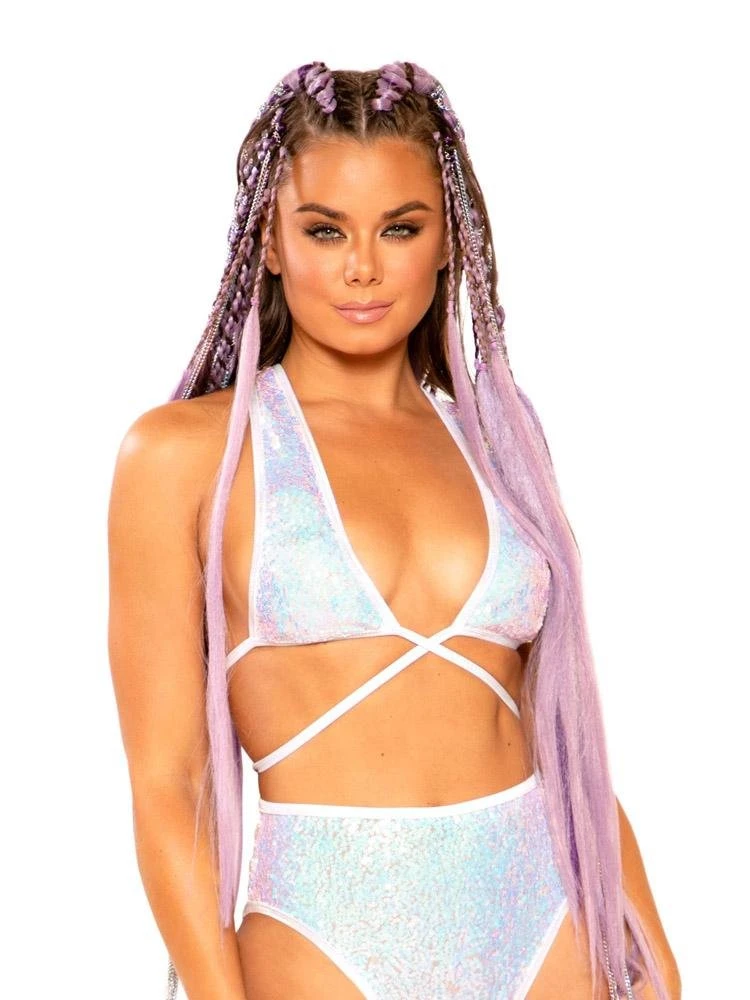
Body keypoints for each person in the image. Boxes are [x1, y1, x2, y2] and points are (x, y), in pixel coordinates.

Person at [107, 61, 680, 1000]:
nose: (363, 267)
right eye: (325, 230)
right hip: (326, 935)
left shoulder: (499, 441)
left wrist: (651, 948)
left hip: (550, 923)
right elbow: (170, 785)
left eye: (401, 228)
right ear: (270, 243)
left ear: (448, 239)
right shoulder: (185, 455)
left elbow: (562, 736)